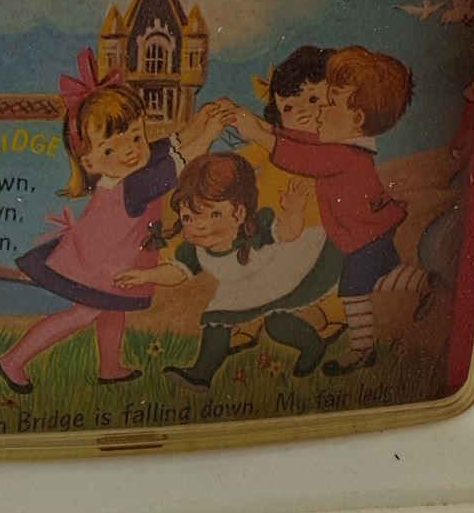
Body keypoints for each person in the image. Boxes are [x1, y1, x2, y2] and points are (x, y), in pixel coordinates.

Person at [0, 48, 231, 392]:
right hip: (99, 265)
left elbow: (165, 147)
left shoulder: (129, 170)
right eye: (110, 148)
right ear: (89, 162)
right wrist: (208, 135)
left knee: (111, 309)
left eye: (136, 136)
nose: (130, 150)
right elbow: (177, 165)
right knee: (83, 313)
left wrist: (197, 123)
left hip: (106, 261)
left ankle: (110, 367)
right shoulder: (133, 184)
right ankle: (13, 360)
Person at [228, 45, 436, 375]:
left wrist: (256, 133)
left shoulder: (343, 154)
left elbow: (302, 157)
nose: (321, 109)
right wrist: (258, 125)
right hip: (374, 229)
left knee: (353, 290)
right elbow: (299, 140)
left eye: (330, 102)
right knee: (383, 276)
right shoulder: (344, 143)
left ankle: (362, 350)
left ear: (357, 119)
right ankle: (427, 283)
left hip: (364, 235)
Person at [117, 151, 343, 384]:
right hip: (243, 288)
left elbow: (288, 233)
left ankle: (313, 346)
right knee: (218, 320)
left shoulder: (256, 227)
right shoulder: (195, 250)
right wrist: (145, 276)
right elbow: (178, 272)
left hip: (282, 275)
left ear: (238, 213)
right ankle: (201, 374)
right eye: (188, 218)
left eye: (213, 214)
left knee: (277, 325)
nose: (199, 226)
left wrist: (294, 209)